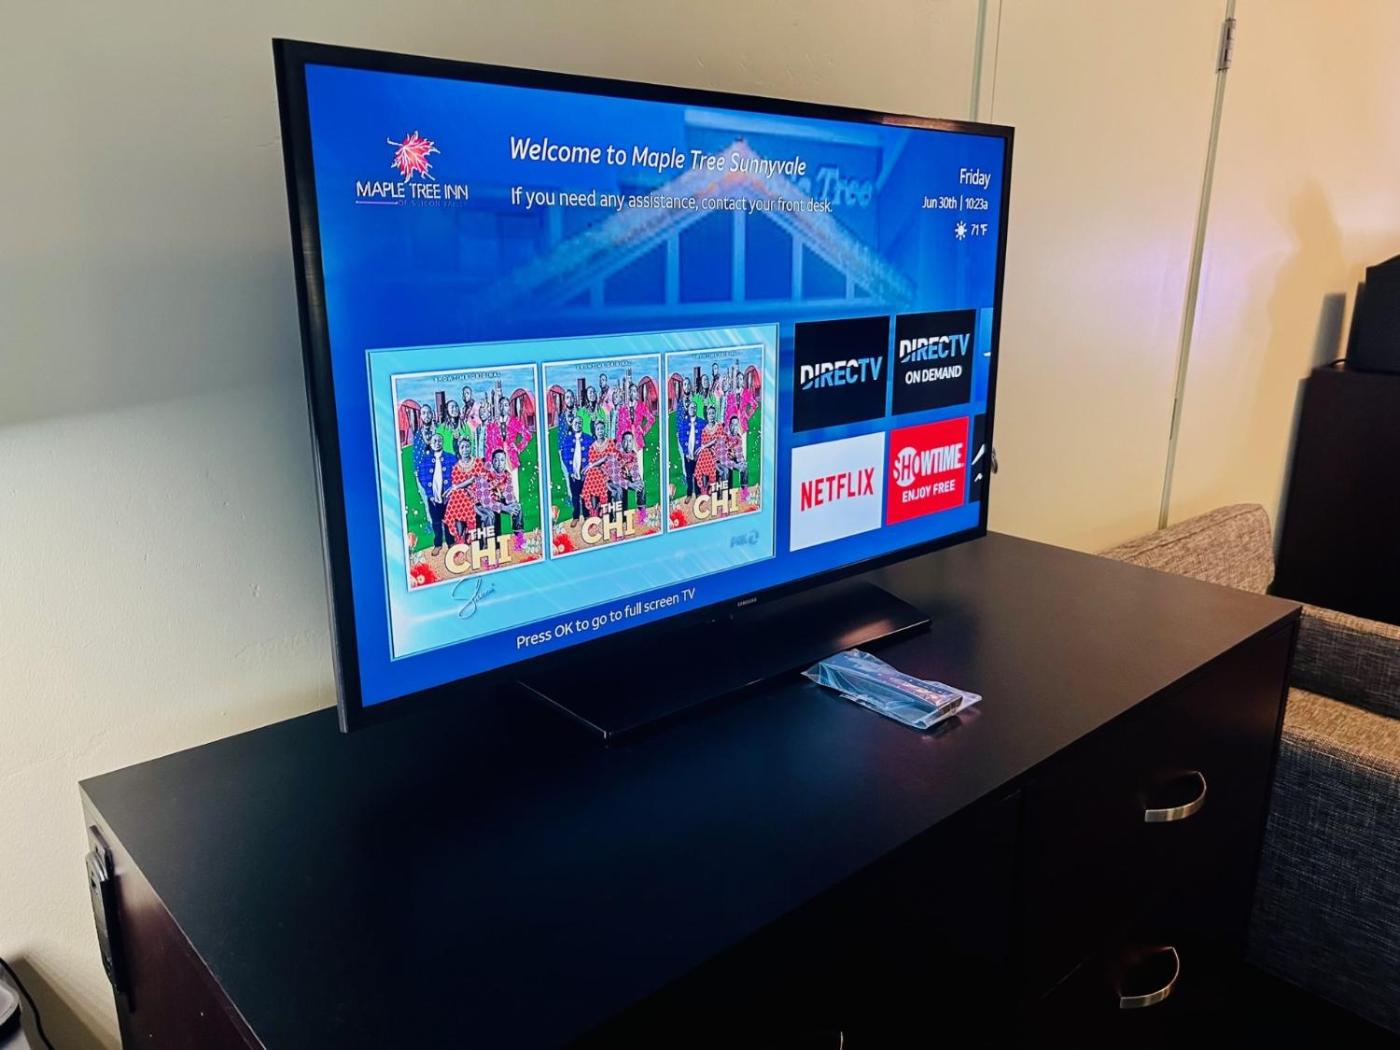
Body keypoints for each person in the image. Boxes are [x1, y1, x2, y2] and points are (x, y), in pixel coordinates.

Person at [415, 433, 458, 552]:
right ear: (431, 443)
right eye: (434, 441)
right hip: (433, 497)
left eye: (439, 440)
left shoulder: (451, 458)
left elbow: (457, 474)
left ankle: (451, 542)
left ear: (442, 442)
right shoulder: (425, 460)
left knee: (449, 520)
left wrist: (451, 492)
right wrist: (430, 494)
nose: (437, 443)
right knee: (436, 521)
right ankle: (438, 544)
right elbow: (422, 477)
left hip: (448, 497)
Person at [477, 448, 526, 550]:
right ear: (492, 461)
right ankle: (488, 546)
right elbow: (486, 502)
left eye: (502, 460)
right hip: (480, 504)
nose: (500, 463)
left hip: (497, 501)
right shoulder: (484, 474)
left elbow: (509, 495)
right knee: (490, 515)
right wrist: (504, 508)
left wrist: (512, 506)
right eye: (496, 460)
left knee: (517, 507)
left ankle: (519, 539)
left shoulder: (506, 475)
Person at [558, 413, 592, 523]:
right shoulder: (567, 440)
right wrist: (570, 470)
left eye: (580, 423)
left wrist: (587, 468)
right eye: (576, 423)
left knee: (586, 494)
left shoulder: (588, 438)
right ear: (572, 424)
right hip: (573, 472)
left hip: (585, 473)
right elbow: (564, 456)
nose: (578, 425)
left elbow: (592, 454)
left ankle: (586, 515)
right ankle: (576, 516)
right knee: (575, 495)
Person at [504, 397, 533, 500]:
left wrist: (519, 447)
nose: (503, 408)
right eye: (501, 405)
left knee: (513, 481)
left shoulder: (514, 421)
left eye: (506, 405)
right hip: (499, 457)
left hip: (511, 456)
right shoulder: (496, 423)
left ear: (509, 408)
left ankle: (516, 502)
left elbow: (527, 435)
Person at [675, 396, 701, 499]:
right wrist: (686, 452)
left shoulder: (701, 422)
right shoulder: (683, 424)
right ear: (688, 409)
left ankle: (698, 493)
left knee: (697, 473)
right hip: (688, 454)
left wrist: (698, 451)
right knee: (689, 474)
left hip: (697, 453)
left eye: (694, 407)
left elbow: (703, 437)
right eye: (691, 408)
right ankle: (689, 493)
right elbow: (681, 438)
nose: (693, 409)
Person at [693, 405, 721, 497]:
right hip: (707, 454)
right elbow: (703, 445)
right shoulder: (704, 430)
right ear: (707, 416)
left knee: (704, 453)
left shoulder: (719, 426)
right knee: (704, 454)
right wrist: (703, 447)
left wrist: (705, 446)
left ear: (715, 414)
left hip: (717, 451)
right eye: (709, 414)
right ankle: (704, 488)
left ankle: (707, 486)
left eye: (713, 413)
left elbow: (717, 440)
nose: (711, 415)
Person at [616, 430, 644, 516]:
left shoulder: (633, 454)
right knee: (620, 491)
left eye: (630, 441)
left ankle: (641, 512)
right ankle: (620, 517)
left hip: (626, 478)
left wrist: (637, 482)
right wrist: (631, 484)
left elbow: (635, 471)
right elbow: (616, 478)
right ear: (622, 442)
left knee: (641, 485)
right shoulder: (616, 454)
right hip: (615, 480)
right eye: (626, 441)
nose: (628, 444)